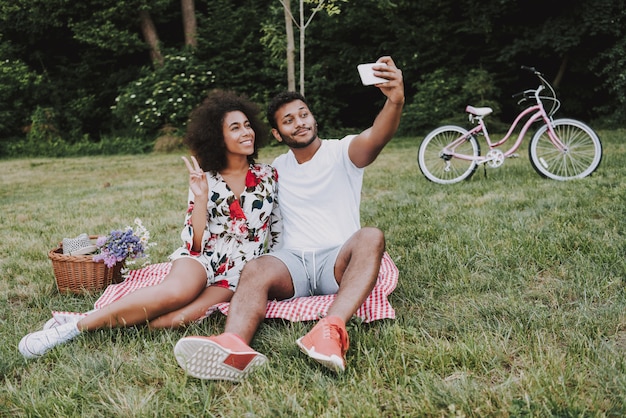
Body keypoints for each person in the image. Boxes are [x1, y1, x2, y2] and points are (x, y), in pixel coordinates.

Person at [174, 56, 404, 381]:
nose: (299, 123)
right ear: (277, 133)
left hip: (335, 261)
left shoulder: (343, 152)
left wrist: (395, 100)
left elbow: (377, 136)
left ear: (314, 119)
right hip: (291, 264)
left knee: (371, 236)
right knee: (256, 267)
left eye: (303, 115)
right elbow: (237, 191)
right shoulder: (275, 170)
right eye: (288, 120)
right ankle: (233, 346)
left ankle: (329, 330)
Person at [19, 90, 281, 359]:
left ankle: (92, 319)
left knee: (172, 320)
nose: (246, 132)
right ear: (217, 137)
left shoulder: (269, 175)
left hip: (236, 274)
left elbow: (276, 230)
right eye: (235, 128)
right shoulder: (205, 178)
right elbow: (196, 242)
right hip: (201, 257)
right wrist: (201, 198)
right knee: (177, 292)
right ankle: (71, 329)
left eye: (248, 125)